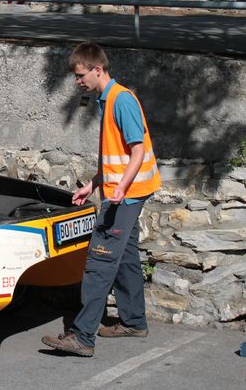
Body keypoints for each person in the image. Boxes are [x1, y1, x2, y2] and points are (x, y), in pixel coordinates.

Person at [41, 41, 161, 357]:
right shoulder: (107, 99)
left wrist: (120, 187)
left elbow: (137, 150)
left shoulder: (121, 101)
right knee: (125, 256)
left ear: (98, 69)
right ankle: (134, 322)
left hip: (126, 195)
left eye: (81, 75)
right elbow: (115, 153)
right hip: (124, 191)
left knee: (99, 261)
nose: (78, 81)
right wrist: (94, 185)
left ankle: (82, 337)